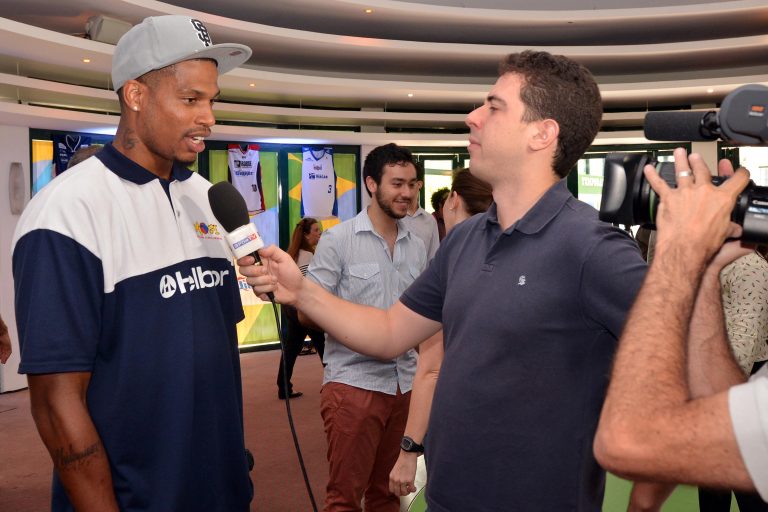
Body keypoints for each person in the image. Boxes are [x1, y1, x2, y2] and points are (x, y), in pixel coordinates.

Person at [241, 50, 647, 511]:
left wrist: (646, 500)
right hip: (447, 496)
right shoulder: (465, 239)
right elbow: (390, 331)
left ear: (542, 133)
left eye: (494, 107)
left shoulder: (593, 249)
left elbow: (684, 373)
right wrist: (301, 291)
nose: (473, 116)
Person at [11, 15, 253, 511]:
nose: (208, 118)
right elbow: (56, 403)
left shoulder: (206, 197)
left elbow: (213, 357)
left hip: (221, 491)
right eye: (191, 99)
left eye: (212, 101)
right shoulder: (67, 212)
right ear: (136, 95)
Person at [593, 148, 767, 504]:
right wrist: (705, 269)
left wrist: (680, 254)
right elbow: (726, 409)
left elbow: (628, 442)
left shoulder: (753, 270)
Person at [296, 142, 426, 512]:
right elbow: (307, 312)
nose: (406, 193)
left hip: (406, 386)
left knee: (389, 494)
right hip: (354, 385)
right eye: (397, 183)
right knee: (345, 499)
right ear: (372, 184)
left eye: (412, 184)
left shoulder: (417, 245)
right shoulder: (338, 240)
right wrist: (355, 322)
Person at [388, 166, 492, 499]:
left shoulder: (451, 266)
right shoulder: (515, 259)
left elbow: (431, 370)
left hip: (457, 422)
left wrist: (409, 450)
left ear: (453, 201)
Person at [276, 217, 325, 399]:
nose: (319, 234)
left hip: (291, 308)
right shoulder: (308, 256)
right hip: (305, 309)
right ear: (306, 235)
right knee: (325, 348)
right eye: (316, 230)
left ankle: (283, 387)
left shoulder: (293, 255)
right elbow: (307, 285)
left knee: (291, 349)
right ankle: (335, 385)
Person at [402, 164, 440, 260]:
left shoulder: (430, 220)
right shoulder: (392, 218)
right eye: (400, 184)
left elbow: (433, 257)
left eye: (410, 184)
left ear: (419, 184)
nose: (405, 190)